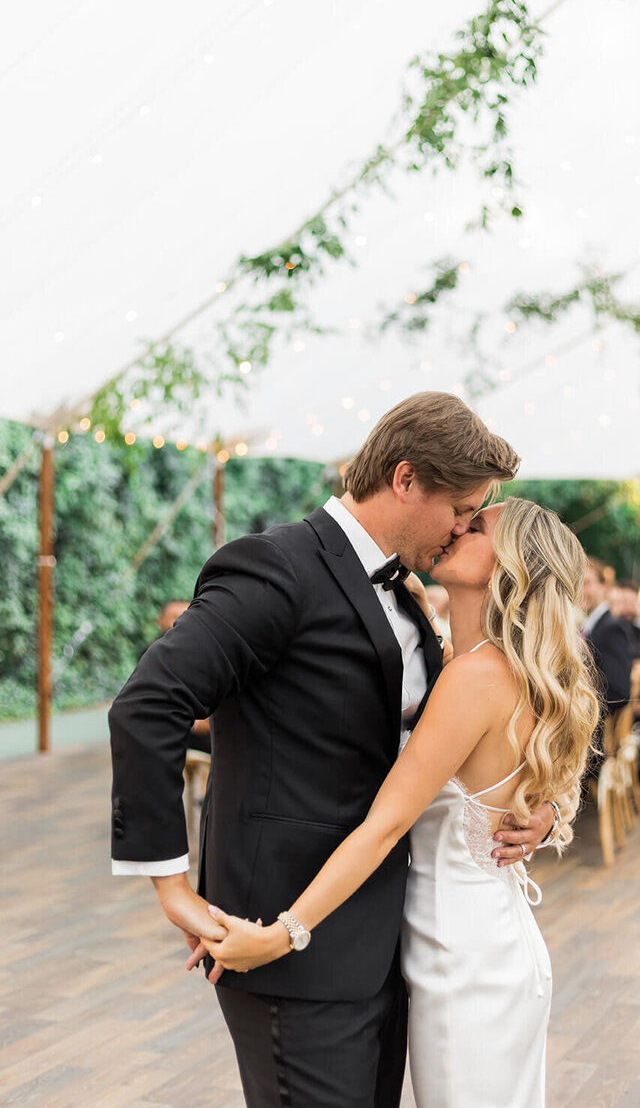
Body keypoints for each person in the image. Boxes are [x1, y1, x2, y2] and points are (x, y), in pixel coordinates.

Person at [109, 392, 557, 1108]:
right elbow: (148, 704)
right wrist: (172, 887)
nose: (463, 528)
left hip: (390, 952)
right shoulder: (275, 568)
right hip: (286, 947)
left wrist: (532, 808)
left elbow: (432, 749)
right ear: (406, 479)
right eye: (462, 510)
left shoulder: (410, 595)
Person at [196, 498, 599, 1108]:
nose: (459, 524)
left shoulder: (477, 678)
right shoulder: (470, 666)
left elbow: (384, 827)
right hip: (472, 943)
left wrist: (283, 935)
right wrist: (540, 817)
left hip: (468, 962)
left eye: (478, 525)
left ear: (508, 564)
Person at [581, 557, 633, 713]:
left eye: (587, 583)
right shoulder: (589, 627)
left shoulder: (611, 629)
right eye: (578, 583)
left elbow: (618, 693)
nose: (581, 591)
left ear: (603, 587)